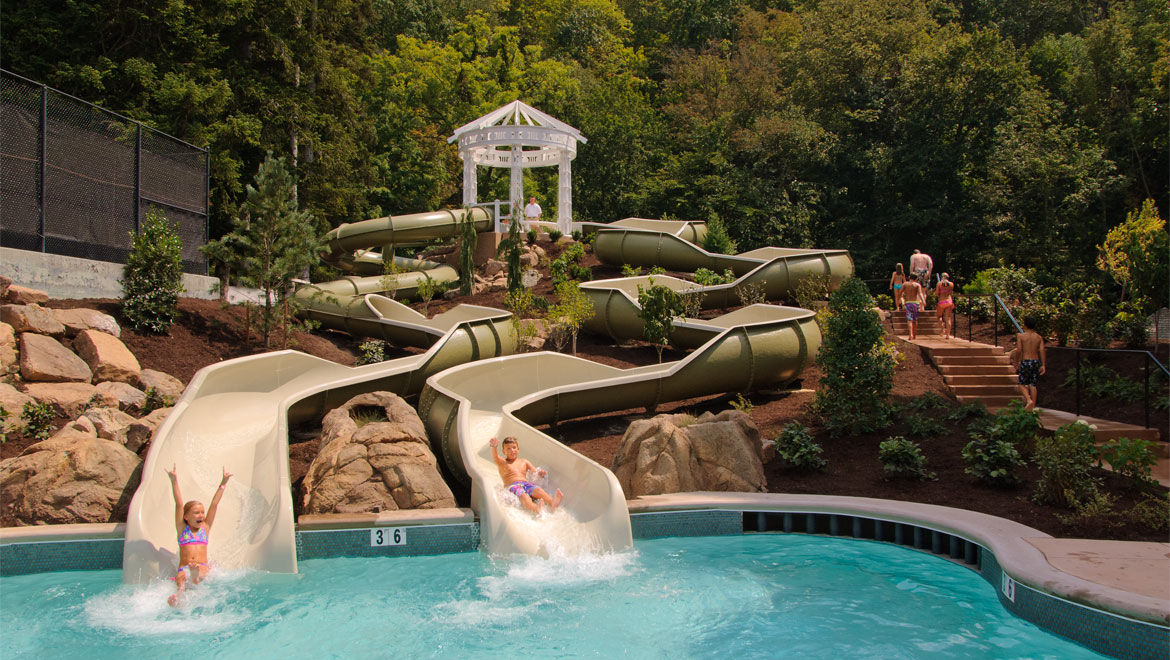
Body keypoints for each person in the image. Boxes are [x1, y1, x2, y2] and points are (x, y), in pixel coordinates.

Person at [166, 464, 232, 606]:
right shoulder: (182, 530)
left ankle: (195, 577)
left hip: (201, 566)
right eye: (196, 513)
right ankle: (177, 597)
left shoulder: (205, 528)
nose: (201, 515)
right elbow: (179, 504)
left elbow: (214, 504)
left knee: (201, 572)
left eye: (202, 512)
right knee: (181, 579)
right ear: (186, 517)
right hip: (185, 567)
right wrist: (174, 481)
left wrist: (223, 483)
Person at [490, 436, 562, 514]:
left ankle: (552, 502)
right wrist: (494, 446)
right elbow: (495, 457)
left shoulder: (524, 461)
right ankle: (535, 508)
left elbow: (534, 473)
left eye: (514, 447)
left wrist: (540, 474)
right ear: (504, 451)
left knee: (538, 490)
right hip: (513, 486)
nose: (512, 450)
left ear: (518, 449)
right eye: (508, 448)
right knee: (524, 496)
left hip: (526, 484)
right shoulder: (503, 462)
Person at [1013, 316, 1046, 410]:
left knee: (1021, 383)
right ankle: (1033, 407)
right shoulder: (1039, 337)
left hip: (1026, 361)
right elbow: (1042, 350)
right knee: (1033, 384)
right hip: (1035, 361)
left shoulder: (1021, 336)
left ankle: (1028, 400)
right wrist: (1043, 365)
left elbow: (1019, 350)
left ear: (1025, 325)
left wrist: (1016, 362)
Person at [901, 274, 923, 340]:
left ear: (909, 277)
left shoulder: (905, 284)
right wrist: (923, 301)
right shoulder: (917, 285)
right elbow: (920, 293)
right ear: (916, 279)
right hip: (915, 303)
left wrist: (900, 299)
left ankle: (911, 334)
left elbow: (900, 292)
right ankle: (915, 334)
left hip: (908, 303)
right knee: (915, 320)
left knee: (909, 320)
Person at [935, 272, 955, 339]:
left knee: (939, 316)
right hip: (949, 301)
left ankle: (942, 329)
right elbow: (951, 292)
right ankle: (948, 335)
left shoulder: (939, 283)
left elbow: (937, 293)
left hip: (941, 301)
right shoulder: (951, 284)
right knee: (948, 318)